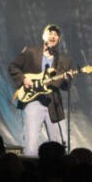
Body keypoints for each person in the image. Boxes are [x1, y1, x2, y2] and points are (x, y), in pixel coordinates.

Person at [8, 24, 72, 157]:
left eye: (56, 35)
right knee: (31, 144)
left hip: (53, 103)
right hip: (33, 100)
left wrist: (67, 79)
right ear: (44, 36)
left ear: (59, 40)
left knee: (58, 145)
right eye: (50, 33)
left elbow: (65, 87)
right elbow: (13, 67)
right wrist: (23, 79)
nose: (53, 36)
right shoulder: (31, 51)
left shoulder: (64, 60)